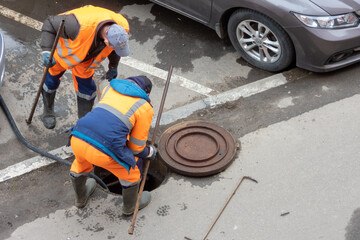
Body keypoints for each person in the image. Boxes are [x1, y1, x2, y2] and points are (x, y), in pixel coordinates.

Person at [67, 75, 156, 215]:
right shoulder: (144, 107)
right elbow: (136, 148)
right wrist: (149, 152)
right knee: (131, 174)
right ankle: (130, 207)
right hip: (105, 150)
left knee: (80, 164)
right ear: (146, 93)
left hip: (78, 137)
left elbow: (107, 119)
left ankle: (80, 198)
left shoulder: (110, 88)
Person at [40, 5, 130, 129]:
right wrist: (46, 51)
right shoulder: (75, 25)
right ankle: (48, 111)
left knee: (87, 90)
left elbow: (115, 49)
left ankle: (83, 122)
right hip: (62, 55)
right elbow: (49, 23)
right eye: (112, 45)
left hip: (86, 61)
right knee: (50, 82)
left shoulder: (121, 28)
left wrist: (113, 66)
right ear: (107, 42)